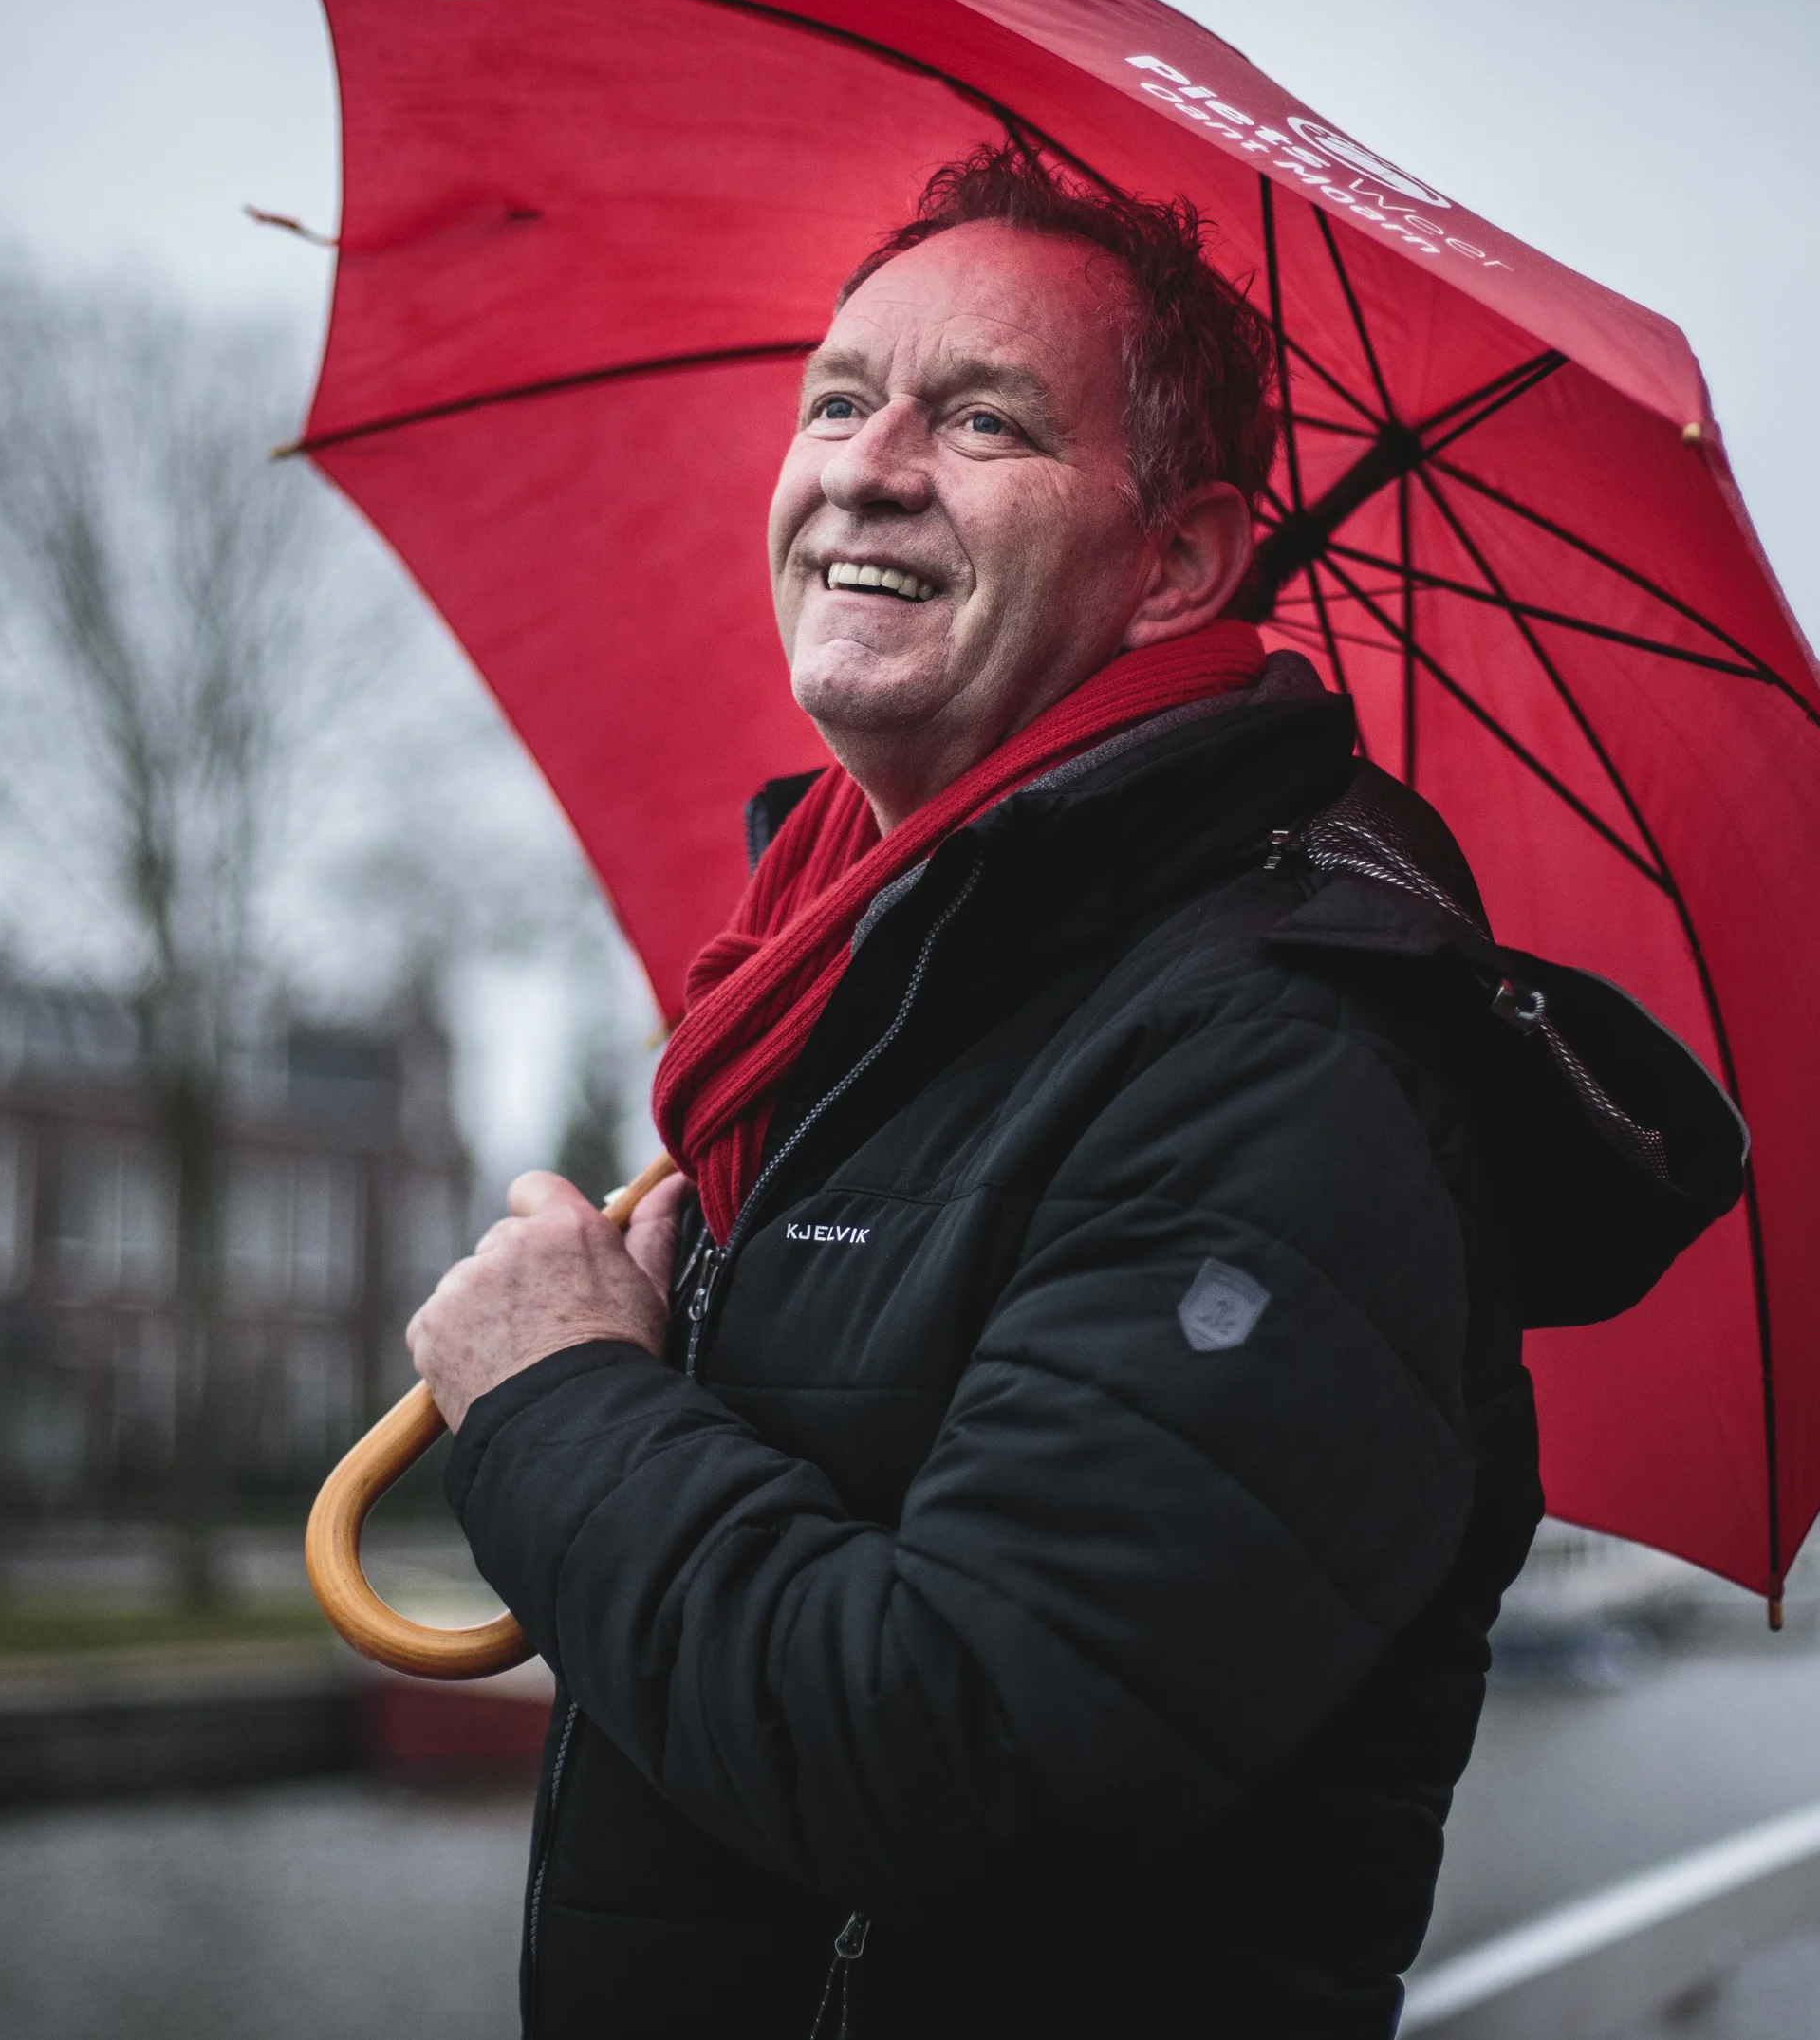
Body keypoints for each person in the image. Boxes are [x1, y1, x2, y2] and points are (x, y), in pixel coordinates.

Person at [407, 145, 1744, 2038]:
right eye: (840, 400)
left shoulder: (1283, 1069)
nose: (865, 465)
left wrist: (556, 1401)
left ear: (1182, 562)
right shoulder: (852, 1009)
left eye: (982, 419)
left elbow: (953, 1754)